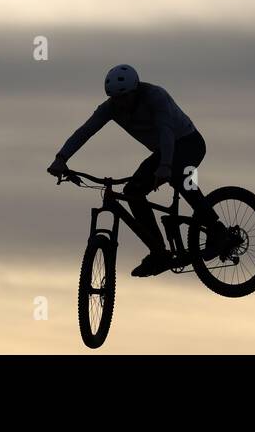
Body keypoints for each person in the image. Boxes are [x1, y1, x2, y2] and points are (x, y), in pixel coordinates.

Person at [47, 64, 229, 276]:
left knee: (179, 178)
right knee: (132, 192)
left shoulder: (155, 96)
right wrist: (61, 158)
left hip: (189, 143)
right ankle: (159, 252)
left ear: (135, 90)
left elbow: (166, 131)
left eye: (124, 98)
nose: (120, 104)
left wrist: (165, 167)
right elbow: (85, 131)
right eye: (115, 99)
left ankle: (218, 231)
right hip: (163, 151)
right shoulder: (110, 108)